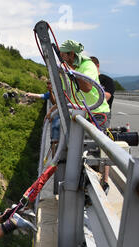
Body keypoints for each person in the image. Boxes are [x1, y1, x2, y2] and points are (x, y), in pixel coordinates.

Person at [59, 40, 111, 194]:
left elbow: (87, 87)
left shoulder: (87, 65)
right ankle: (85, 188)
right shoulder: (66, 69)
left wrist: (69, 70)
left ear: (71, 54)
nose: (61, 57)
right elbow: (65, 94)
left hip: (97, 114)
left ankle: (101, 186)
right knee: (79, 151)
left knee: (96, 153)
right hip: (80, 114)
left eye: (63, 55)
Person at [90, 56, 115, 194]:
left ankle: (105, 181)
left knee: (103, 146)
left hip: (103, 117)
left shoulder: (106, 80)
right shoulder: (86, 80)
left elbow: (106, 96)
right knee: (89, 147)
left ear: (97, 66)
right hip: (88, 116)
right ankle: (92, 177)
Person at [26, 81, 59, 156]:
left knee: (56, 141)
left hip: (59, 120)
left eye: (49, 84)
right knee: (54, 142)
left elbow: (55, 103)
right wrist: (31, 94)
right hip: (55, 121)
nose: (47, 86)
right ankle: (54, 161)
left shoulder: (59, 91)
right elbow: (42, 96)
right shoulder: (52, 92)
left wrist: (50, 111)